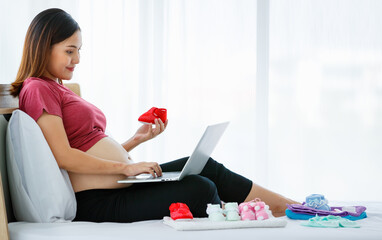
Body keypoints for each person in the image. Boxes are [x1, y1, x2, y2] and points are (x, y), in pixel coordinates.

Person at [10, 8, 298, 223]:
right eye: (69, 51)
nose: (77, 60)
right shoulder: (38, 88)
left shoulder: (58, 88)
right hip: (97, 201)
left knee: (203, 166)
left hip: (119, 186)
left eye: (79, 50)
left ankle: (289, 206)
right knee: (199, 188)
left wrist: (135, 141)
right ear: (43, 46)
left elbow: (85, 148)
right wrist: (126, 168)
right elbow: (65, 157)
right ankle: (256, 216)